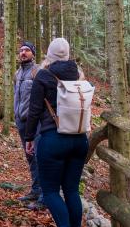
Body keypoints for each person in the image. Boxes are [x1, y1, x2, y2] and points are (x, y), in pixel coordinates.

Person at [25, 38, 89, 227]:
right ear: (67, 54)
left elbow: (34, 111)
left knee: (51, 192)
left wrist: (29, 138)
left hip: (53, 139)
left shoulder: (43, 76)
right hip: (79, 140)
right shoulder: (79, 75)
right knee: (71, 191)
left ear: (49, 54)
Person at [13, 42, 44, 210]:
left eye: (26, 50)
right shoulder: (17, 73)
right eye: (21, 50)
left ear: (33, 53)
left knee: (39, 156)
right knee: (30, 156)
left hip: (36, 122)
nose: (23, 53)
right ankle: (35, 189)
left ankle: (44, 195)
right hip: (21, 121)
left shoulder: (37, 72)